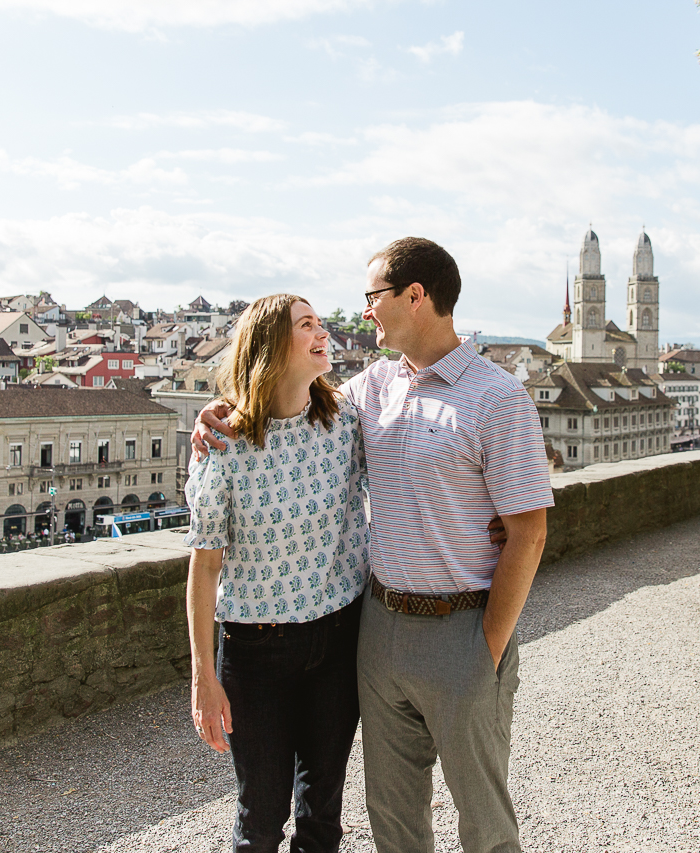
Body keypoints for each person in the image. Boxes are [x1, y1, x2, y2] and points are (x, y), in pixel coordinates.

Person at [193, 238, 553, 853]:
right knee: (392, 817)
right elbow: (286, 407)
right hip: (379, 629)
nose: (364, 313)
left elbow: (530, 529)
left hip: (462, 627)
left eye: (373, 297)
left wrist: (487, 645)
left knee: (484, 819)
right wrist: (216, 412)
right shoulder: (370, 390)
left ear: (415, 297)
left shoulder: (499, 396)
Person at [184, 293, 368, 853]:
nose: (323, 333)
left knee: (323, 810)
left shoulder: (345, 420)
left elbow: (415, 466)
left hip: (338, 636)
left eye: (321, 322)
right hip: (256, 651)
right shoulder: (224, 443)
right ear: (269, 345)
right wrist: (202, 678)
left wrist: (497, 518)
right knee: (260, 816)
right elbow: (204, 561)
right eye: (306, 325)